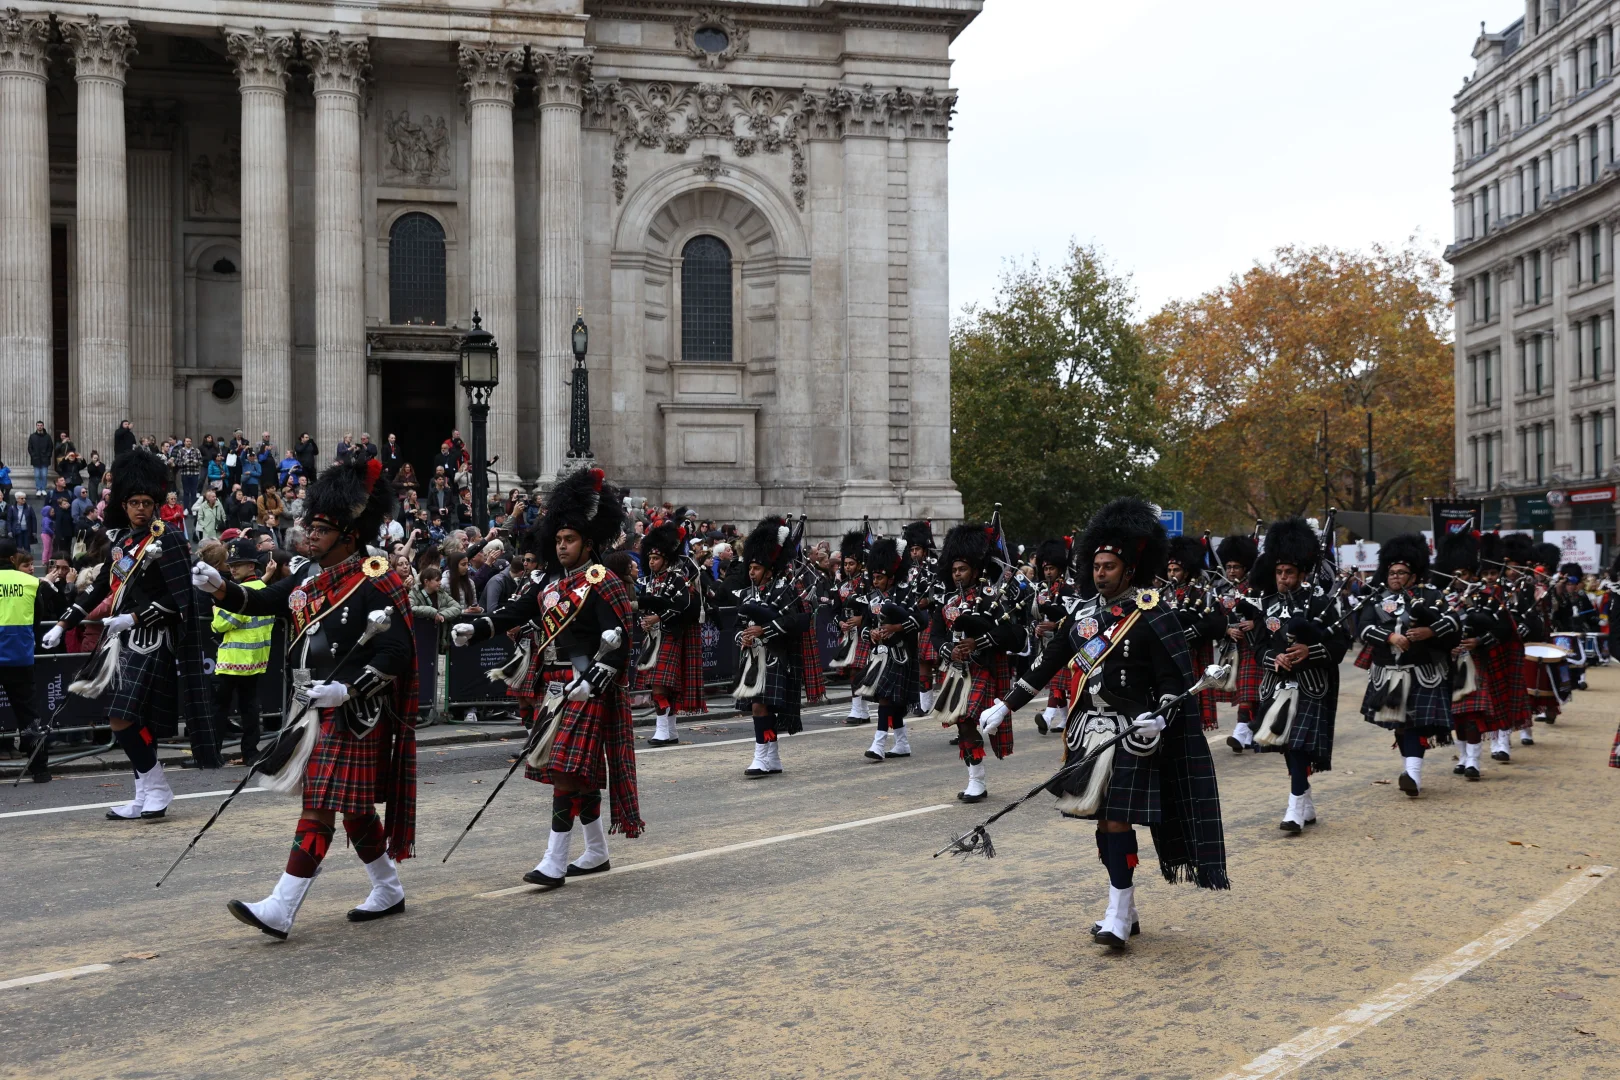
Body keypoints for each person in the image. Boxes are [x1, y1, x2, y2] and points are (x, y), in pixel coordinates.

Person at [984, 498, 1229, 950]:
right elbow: (1046, 662)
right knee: (1103, 823)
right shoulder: (1081, 615)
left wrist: (1161, 715)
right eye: (1096, 565)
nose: (1101, 573)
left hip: (1133, 733)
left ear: (1129, 568)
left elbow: (1173, 681)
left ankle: (1116, 913)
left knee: (1117, 821)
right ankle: (1127, 907)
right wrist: (1006, 704)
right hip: (1088, 729)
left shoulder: (1152, 613)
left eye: (1109, 566)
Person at [194, 456, 417, 939]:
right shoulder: (308, 576)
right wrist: (221, 589)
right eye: (309, 527)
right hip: (310, 706)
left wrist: (348, 687)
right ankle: (388, 887)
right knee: (354, 808)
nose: (309, 536)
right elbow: (263, 603)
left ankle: (281, 906)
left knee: (318, 805)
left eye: (320, 529)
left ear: (349, 535)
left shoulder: (375, 578)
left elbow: (397, 650)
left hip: (353, 709)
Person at [451, 467, 641, 888]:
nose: (562, 546)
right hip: (553, 686)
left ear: (587, 543)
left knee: (565, 771)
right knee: (576, 772)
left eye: (569, 540)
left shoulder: (602, 580)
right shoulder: (552, 586)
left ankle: (554, 860)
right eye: (558, 540)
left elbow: (622, 641)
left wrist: (593, 679)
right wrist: (478, 628)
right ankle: (595, 851)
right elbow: (516, 614)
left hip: (588, 685)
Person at [42, 449, 219, 820]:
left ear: (156, 504)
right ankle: (144, 794)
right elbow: (101, 590)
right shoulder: (123, 543)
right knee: (130, 720)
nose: (141, 508)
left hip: (154, 639)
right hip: (124, 641)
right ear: (124, 504)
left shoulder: (168, 538)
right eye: (135, 502)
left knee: (121, 717)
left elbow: (180, 598)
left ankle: (157, 787)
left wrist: (134, 618)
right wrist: (64, 624)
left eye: (148, 502)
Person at [1249, 519, 1348, 833]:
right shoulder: (1267, 607)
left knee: (1299, 746)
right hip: (1277, 685)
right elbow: (1259, 647)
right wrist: (1273, 657)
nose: (1283, 578)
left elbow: (1341, 643)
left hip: (1312, 685)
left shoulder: (1322, 604)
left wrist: (1310, 651)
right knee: (1288, 746)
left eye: (1289, 573)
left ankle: (1294, 808)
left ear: (1302, 573)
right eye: (1279, 573)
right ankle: (1305, 801)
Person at [1357, 534, 1461, 797]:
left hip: (1421, 671)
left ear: (1414, 575)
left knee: (1414, 723)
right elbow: (1363, 629)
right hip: (1388, 673)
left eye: (1401, 572)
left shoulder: (1431, 595)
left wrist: (1430, 631)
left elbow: (1453, 623)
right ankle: (1409, 771)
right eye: (1391, 572)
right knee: (1401, 724)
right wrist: (1390, 636)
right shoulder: (1376, 598)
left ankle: (1412, 773)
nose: (1395, 576)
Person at [933, 522, 1026, 803]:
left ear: (975, 570)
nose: (957, 574)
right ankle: (977, 780)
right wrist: (950, 650)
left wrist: (977, 642)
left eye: (962, 569)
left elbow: (1010, 633)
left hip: (986, 667)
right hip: (958, 671)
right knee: (963, 722)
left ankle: (978, 779)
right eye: (954, 570)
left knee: (976, 721)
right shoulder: (947, 602)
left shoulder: (991, 598)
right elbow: (937, 636)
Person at [1441, 531, 1525, 778]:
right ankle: (1463, 757)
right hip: (1450, 663)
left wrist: (1478, 641)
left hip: (1476, 662)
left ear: (1472, 574)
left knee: (1471, 715)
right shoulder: (1440, 599)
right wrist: (1448, 646)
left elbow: (1503, 629)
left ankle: (1474, 763)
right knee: (1456, 716)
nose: (1458, 579)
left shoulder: (1486, 598)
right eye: (1454, 574)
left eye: (1463, 574)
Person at [732, 516, 810, 778]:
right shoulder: (746, 594)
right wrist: (742, 637)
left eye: (755, 568)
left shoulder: (784, 590)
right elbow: (736, 626)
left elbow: (798, 621)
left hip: (777, 656)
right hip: (753, 658)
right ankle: (771, 755)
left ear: (768, 567)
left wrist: (764, 629)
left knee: (760, 707)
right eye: (750, 567)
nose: (751, 572)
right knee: (759, 707)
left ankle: (760, 755)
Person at [638, 520, 706, 746]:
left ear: (665, 559)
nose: (651, 562)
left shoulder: (677, 579)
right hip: (654, 637)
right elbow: (646, 607)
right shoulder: (649, 581)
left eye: (655, 558)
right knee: (661, 685)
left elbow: (683, 605)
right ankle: (670, 731)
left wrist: (659, 617)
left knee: (660, 684)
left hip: (671, 634)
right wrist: (644, 621)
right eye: (649, 558)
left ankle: (662, 730)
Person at [857, 536, 922, 761]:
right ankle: (902, 742)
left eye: (880, 577)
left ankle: (879, 743)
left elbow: (920, 620)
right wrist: (871, 634)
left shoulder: (905, 592)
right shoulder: (871, 596)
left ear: (891, 575)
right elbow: (864, 626)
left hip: (900, 653)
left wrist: (896, 626)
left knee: (886, 697)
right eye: (873, 577)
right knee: (891, 700)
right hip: (879, 654)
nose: (875, 581)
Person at [211, 538, 273, 764]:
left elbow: (221, 624)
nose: (233, 568)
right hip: (256, 660)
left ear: (252, 566)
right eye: (231, 564)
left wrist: (216, 610)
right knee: (249, 708)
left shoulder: (240, 591)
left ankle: (213, 753)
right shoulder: (263, 588)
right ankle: (250, 752)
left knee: (220, 708)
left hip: (233, 660)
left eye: (238, 564)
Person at [0, 539, 51, 782]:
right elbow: (38, 619)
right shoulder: (31, 583)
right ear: (13, 559)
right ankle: (40, 768)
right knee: (29, 715)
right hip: (19, 656)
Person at [1165, 536, 1225, 737]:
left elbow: (1216, 622)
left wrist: (1192, 631)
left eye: (1177, 570)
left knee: (1192, 696)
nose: (1172, 574)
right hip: (1167, 654)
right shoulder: (1161, 594)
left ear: (1187, 571)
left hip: (1193, 653)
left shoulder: (1201, 594)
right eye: (1170, 570)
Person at [1213, 534, 1264, 752]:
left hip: (1255, 645)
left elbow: (1270, 613)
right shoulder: (1221, 590)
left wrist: (1255, 622)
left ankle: (1241, 732)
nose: (1232, 571)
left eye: (1236, 567)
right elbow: (1215, 618)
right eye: (1228, 566)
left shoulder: (1257, 589)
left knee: (1248, 691)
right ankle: (1252, 731)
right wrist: (1226, 629)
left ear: (1246, 567)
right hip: (1234, 648)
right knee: (1246, 692)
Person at [1030, 538, 1075, 736]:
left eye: (1052, 568)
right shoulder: (1041, 588)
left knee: (1061, 682)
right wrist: (1036, 627)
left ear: (1060, 569)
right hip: (1047, 641)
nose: (1048, 572)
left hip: (1065, 639)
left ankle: (1049, 717)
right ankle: (1063, 719)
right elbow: (1033, 614)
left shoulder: (1067, 589)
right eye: (1045, 568)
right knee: (1056, 682)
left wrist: (1056, 625)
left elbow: (1074, 616)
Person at [834, 531, 872, 726]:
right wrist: (840, 622)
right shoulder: (841, 585)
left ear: (859, 564)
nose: (848, 567)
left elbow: (873, 609)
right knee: (852, 672)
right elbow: (836, 610)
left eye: (851, 563)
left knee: (860, 671)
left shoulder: (867, 584)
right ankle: (859, 710)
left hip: (862, 633)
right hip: (848, 633)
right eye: (846, 563)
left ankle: (860, 709)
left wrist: (861, 620)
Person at [6, 492, 38, 558]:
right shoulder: (12, 508)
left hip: (27, 530)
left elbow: (33, 520)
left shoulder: (29, 508)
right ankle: (19, 560)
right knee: (18, 547)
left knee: (27, 546)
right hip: (17, 531)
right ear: (17, 499)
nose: (24, 500)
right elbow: (9, 520)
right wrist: (9, 531)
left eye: (24, 498)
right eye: (22, 498)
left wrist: (34, 531)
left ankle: (28, 559)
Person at [27, 421, 51, 496]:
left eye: (41, 425)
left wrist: (47, 455)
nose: (40, 426)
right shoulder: (32, 436)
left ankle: (43, 489)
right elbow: (30, 447)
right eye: (38, 425)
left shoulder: (47, 436)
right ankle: (38, 489)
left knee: (44, 475)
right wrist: (33, 455)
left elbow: (50, 447)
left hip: (45, 459)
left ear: (43, 426)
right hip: (36, 459)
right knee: (37, 475)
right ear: (36, 426)